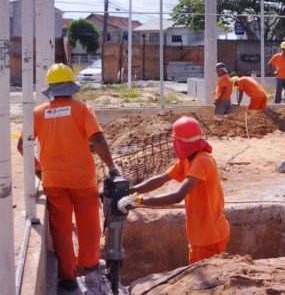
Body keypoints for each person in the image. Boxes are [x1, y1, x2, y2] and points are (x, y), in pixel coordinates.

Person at [17, 63, 119, 293]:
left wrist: (38, 169)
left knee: (61, 230)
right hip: (83, 180)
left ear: (51, 89)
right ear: (72, 88)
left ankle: (68, 278)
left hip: (53, 181)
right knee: (89, 226)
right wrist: (112, 167)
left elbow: (22, 145)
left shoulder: (38, 113)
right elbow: (98, 140)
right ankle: (91, 270)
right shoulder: (83, 109)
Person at [118, 116, 230, 264]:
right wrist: (130, 190)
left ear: (180, 141)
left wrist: (139, 201)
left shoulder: (202, 161)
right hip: (199, 234)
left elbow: (178, 196)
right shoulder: (187, 159)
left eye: (175, 139)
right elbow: (162, 179)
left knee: (208, 280)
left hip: (210, 236)